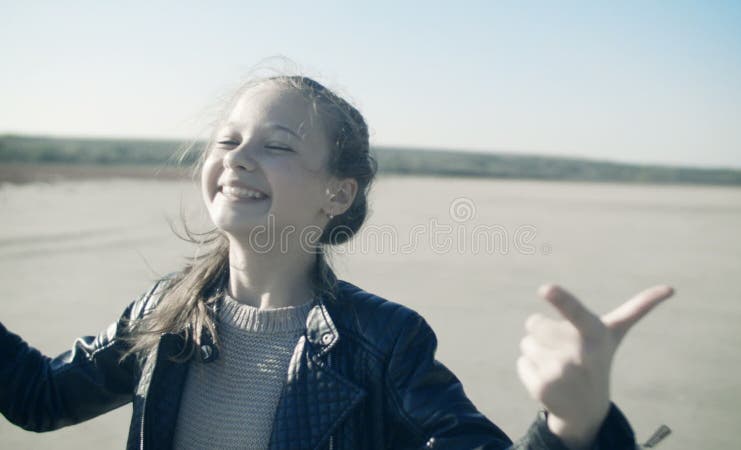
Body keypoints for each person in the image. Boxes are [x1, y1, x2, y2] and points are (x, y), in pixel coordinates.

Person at [0, 74, 674, 449]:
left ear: (337, 193)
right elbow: (38, 399)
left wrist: (573, 425)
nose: (237, 156)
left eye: (278, 145)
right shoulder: (164, 316)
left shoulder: (383, 344)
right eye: (228, 139)